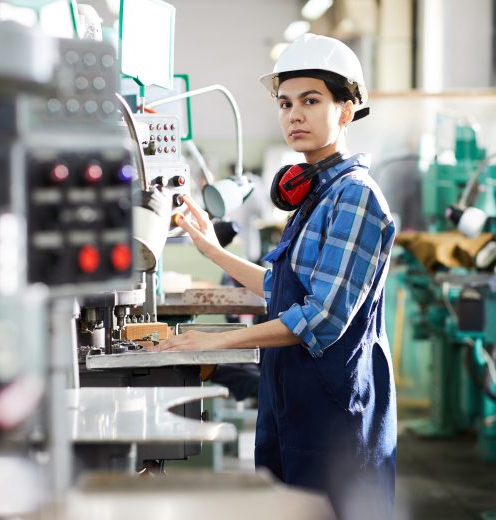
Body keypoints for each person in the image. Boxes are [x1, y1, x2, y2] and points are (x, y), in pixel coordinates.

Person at [155, 33, 397, 519]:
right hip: (290, 403)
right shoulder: (314, 195)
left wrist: (211, 340)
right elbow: (278, 286)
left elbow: (321, 317)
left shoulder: (355, 197)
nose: (294, 115)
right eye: (285, 103)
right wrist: (212, 250)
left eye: (311, 101)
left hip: (336, 411)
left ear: (346, 110)